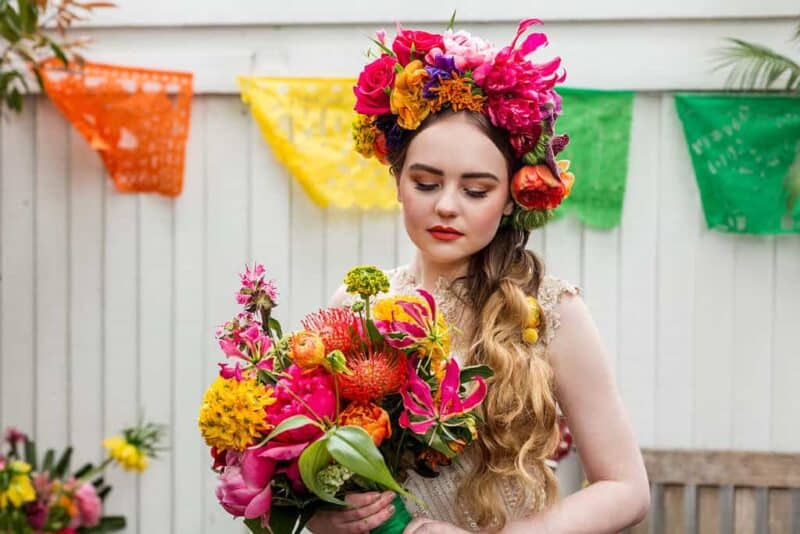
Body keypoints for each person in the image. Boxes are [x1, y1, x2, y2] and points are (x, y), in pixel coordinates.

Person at [306, 18, 650, 534]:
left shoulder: (551, 311)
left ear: (512, 197)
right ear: (397, 179)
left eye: (475, 190)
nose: (446, 206)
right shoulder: (357, 306)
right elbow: (318, 473)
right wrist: (328, 519)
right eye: (426, 182)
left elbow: (626, 489)